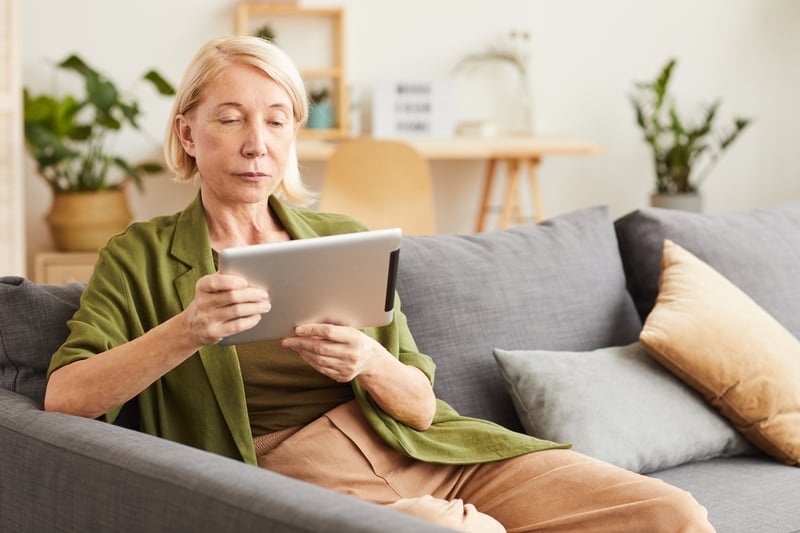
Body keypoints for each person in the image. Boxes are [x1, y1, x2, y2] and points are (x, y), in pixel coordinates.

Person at [45, 35, 715, 533]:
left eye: (277, 120)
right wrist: (187, 330)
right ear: (187, 134)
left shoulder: (340, 237)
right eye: (230, 118)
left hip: (420, 444)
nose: (258, 142)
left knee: (670, 512)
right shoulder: (138, 255)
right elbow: (63, 397)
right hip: (294, 470)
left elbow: (422, 407)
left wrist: (368, 360)